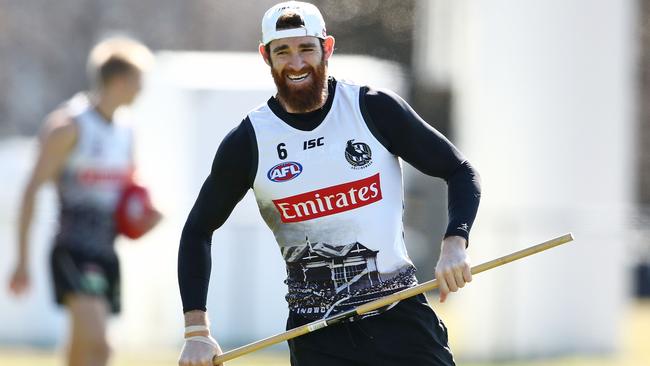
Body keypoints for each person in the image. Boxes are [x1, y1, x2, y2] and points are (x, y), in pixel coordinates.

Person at [177, 1, 481, 365]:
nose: (296, 63)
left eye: (306, 48)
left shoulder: (373, 108)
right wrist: (196, 332)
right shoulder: (249, 141)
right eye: (282, 52)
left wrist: (454, 243)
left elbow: (460, 170)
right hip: (318, 339)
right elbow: (197, 231)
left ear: (327, 48)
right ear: (265, 56)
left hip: (402, 322)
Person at [8, 37, 158, 366]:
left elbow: (131, 186)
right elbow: (31, 190)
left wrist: (146, 212)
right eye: (138, 82)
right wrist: (21, 260)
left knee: (83, 350)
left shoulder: (127, 130)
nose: (141, 90)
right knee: (100, 345)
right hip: (73, 245)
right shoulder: (68, 127)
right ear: (119, 81)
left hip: (106, 248)